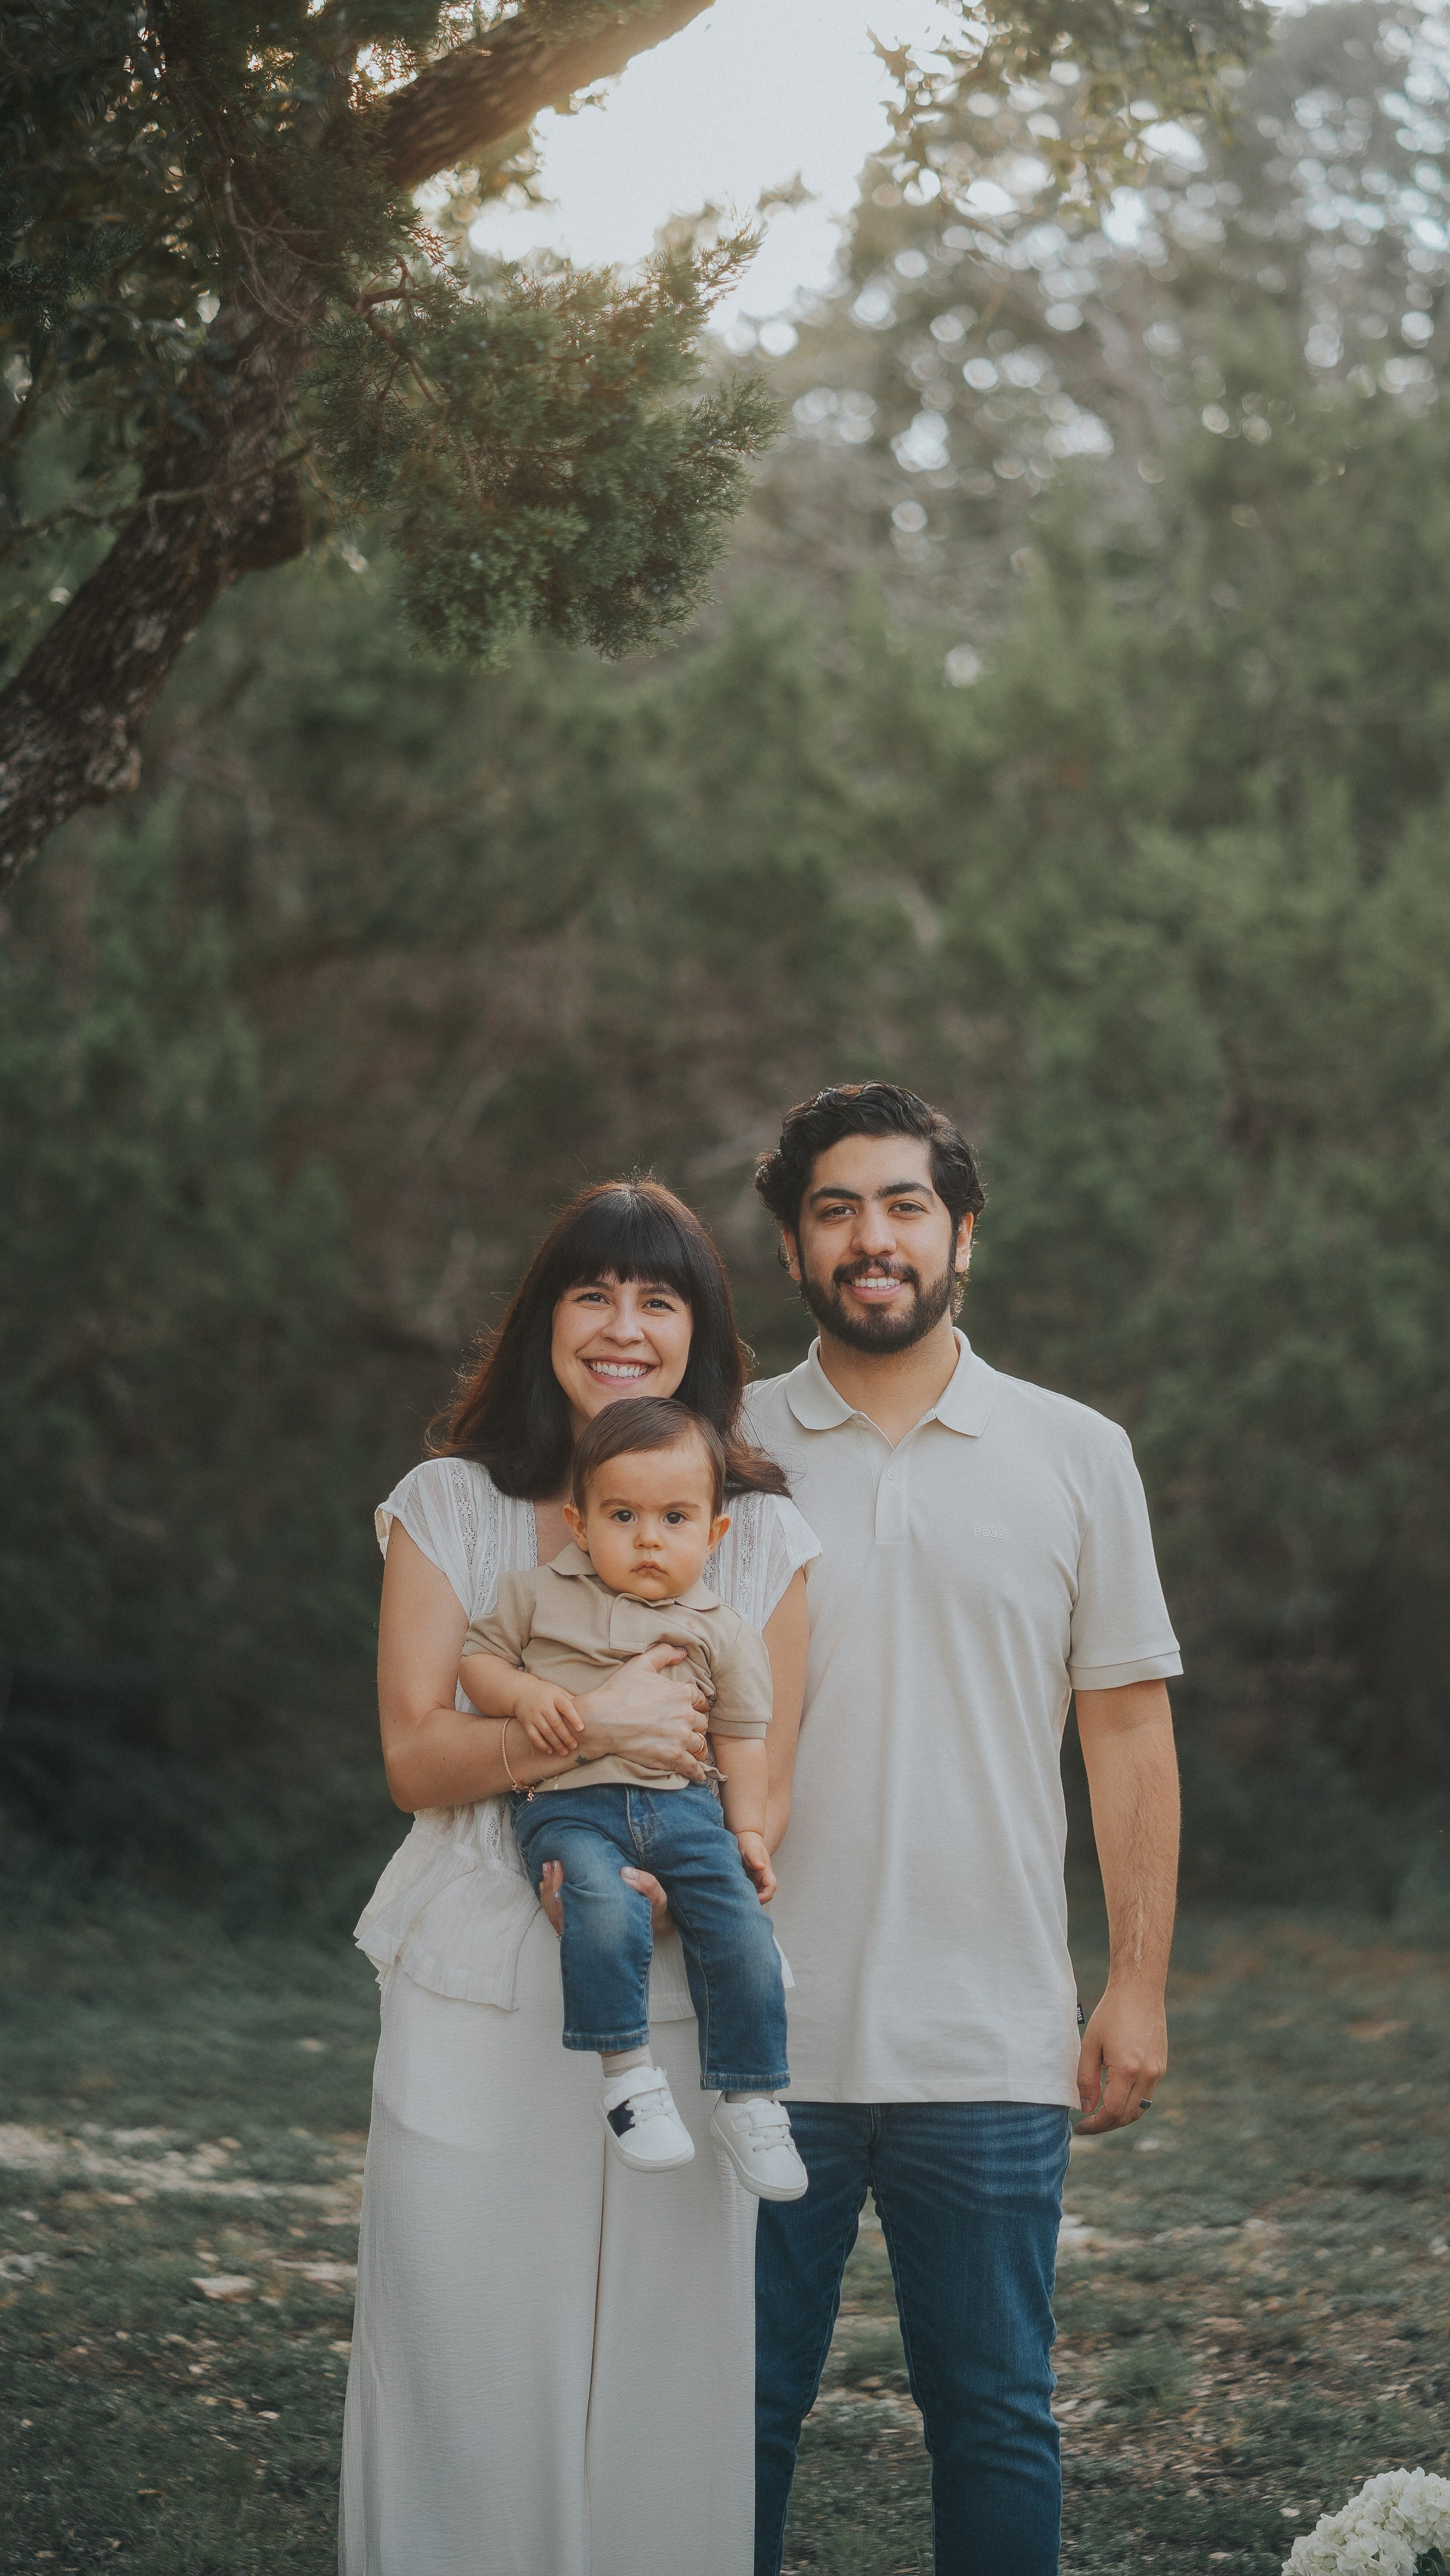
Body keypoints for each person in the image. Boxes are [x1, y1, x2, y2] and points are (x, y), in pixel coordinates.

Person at [338, 1180, 819, 2576]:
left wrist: (702, 1866)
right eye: (591, 1293)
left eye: (658, 1298)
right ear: (546, 1316)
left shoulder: (762, 1532)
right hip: (479, 1975)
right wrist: (589, 1733)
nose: (623, 1326)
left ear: (702, 1329)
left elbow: (763, 1769)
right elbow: (416, 1755)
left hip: (675, 1974)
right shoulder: (452, 1506)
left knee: (663, 2368)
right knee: (472, 2352)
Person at [744, 1083, 1183, 2576]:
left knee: (995, 2419)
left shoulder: (1076, 1451)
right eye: (835, 1209)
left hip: (989, 2035)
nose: (874, 1238)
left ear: (963, 1234)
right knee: (730, 2419)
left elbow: (1126, 1729)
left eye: (904, 1205)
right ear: (794, 1249)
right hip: (747, 2032)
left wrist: (1135, 1981)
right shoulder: (716, 1453)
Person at [460, 1394, 808, 2197]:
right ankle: (626, 2077)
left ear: (714, 1531)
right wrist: (521, 1695)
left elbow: (742, 1740)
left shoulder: (722, 1628)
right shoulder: (536, 1593)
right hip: (569, 1806)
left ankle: (750, 2098)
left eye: (676, 1518)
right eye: (623, 1514)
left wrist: (748, 1833)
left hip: (687, 1811)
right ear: (580, 1523)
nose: (649, 1537)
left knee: (741, 1925)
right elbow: (477, 1664)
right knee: (601, 1900)